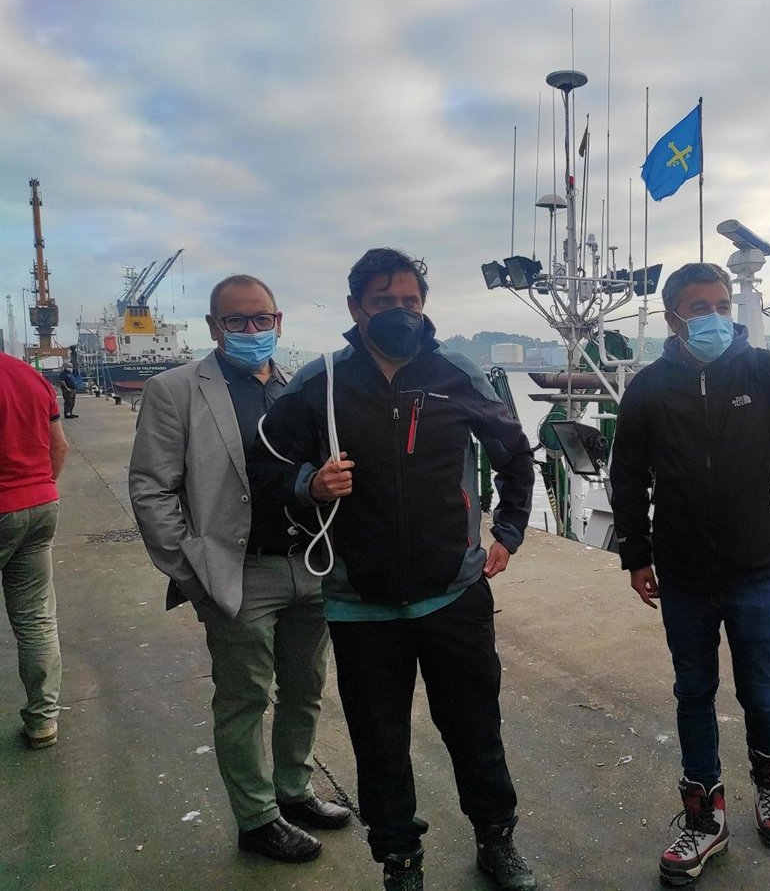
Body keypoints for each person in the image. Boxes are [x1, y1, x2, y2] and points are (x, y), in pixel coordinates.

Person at [248, 248, 537, 891]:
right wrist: (309, 484)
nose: (400, 313)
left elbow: (515, 455)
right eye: (384, 302)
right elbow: (264, 463)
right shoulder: (321, 382)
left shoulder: (455, 372)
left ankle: (496, 840)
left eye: (410, 301)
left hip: (454, 594)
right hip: (359, 603)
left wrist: (509, 532)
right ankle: (400, 860)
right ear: (356, 308)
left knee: (476, 732)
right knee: (379, 745)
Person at [609, 262, 770, 886]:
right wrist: (637, 555)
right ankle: (705, 817)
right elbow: (627, 477)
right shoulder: (649, 388)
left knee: (761, 687)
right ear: (672, 317)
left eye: (720, 305)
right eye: (698, 307)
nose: (712, 317)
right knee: (693, 691)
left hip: (758, 566)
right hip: (683, 572)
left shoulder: (766, 373)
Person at [129, 275, 349, 864]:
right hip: (239, 572)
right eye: (236, 321)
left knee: (305, 689)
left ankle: (294, 790)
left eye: (262, 319)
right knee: (243, 698)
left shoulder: (299, 387)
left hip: (310, 563)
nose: (252, 330)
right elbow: (151, 489)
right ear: (213, 327)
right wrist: (193, 569)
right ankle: (257, 818)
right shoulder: (175, 390)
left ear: (278, 322)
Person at [0, 352, 69, 750]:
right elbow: (59, 447)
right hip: (40, 504)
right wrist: (37, 488)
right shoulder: (30, 377)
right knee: (36, 619)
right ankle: (42, 720)